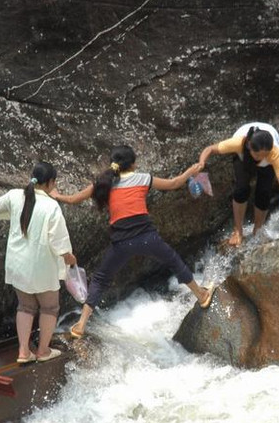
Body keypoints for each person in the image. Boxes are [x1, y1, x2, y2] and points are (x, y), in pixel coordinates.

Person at [53, 145, 214, 339]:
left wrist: (57, 195)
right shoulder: (144, 178)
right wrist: (190, 171)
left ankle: (80, 325)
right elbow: (174, 183)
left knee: (100, 279)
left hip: (121, 244)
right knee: (173, 261)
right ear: (134, 163)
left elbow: (72, 199)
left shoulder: (103, 183)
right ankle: (202, 295)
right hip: (148, 238)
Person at [0, 161, 77, 363]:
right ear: (51, 182)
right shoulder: (51, 206)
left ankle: (24, 352)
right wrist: (69, 257)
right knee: (50, 308)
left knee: (25, 307)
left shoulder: (15, 195)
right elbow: (58, 240)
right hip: (42, 267)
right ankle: (43, 351)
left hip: (18, 265)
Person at [197, 122, 279, 246]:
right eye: (258, 155)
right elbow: (210, 149)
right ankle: (238, 230)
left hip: (266, 143)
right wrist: (201, 162)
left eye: (265, 155)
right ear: (249, 146)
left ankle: (257, 230)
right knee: (241, 189)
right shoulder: (238, 143)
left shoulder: (274, 153)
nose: (261, 158)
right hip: (244, 156)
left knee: (264, 193)